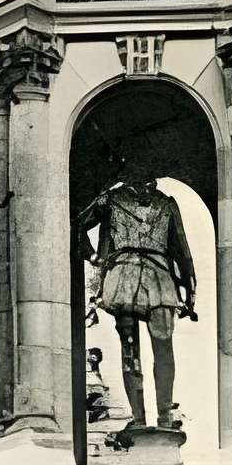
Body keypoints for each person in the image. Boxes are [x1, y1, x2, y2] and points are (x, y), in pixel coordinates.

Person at [80, 151, 196, 434]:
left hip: (157, 276)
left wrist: (189, 287)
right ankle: (140, 417)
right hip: (124, 275)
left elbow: (181, 249)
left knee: (162, 344)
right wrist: (94, 256)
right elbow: (77, 224)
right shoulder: (110, 199)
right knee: (131, 347)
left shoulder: (167, 204)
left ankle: (165, 414)